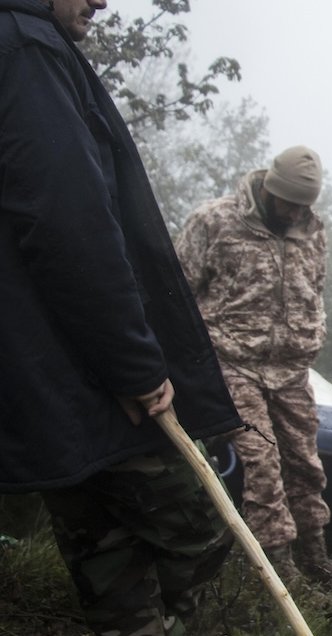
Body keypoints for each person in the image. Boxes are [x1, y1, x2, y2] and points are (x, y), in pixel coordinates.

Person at [0, 0, 243, 633]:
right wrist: (133, 364)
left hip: (44, 379)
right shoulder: (27, 48)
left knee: (108, 560)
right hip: (95, 377)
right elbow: (68, 222)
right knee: (200, 532)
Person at [175, 145, 332, 581]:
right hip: (232, 363)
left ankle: (316, 560)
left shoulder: (312, 230)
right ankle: (278, 570)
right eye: (289, 202)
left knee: (306, 465)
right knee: (262, 461)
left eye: (305, 205)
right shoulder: (215, 222)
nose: (295, 212)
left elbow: (313, 290)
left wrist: (312, 331)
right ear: (269, 187)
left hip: (291, 372)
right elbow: (177, 293)